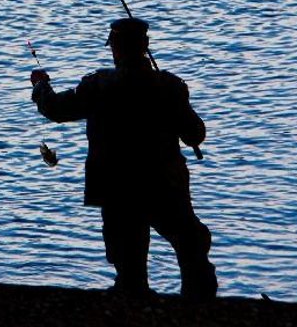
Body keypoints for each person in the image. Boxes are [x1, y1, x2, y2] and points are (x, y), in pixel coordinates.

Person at [30, 18, 217, 300]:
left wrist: (41, 85)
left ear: (115, 49)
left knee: (128, 254)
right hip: (164, 181)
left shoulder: (99, 85)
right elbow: (195, 135)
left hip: (117, 185)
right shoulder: (170, 86)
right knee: (188, 240)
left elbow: (56, 109)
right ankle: (199, 299)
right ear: (145, 46)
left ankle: (133, 296)